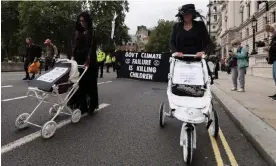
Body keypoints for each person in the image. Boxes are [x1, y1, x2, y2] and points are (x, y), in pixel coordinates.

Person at [170, 4, 214, 80]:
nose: (186, 16)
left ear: (192, 14)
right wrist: (176, 52)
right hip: (180, 59)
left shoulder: (200, 25)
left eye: (188, 14)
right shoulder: (177, 26)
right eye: (184, 14)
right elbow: (171, 42)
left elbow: (209, 43)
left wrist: (203, 52)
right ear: (182, 15)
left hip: (197, 59)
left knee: (199, 81)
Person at [70, 12, 99, 114]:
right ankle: (82, 105)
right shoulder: (79, 32)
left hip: (89, 61)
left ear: (87, 21)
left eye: (83, 21)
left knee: (90, 84)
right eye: (80, 21)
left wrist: (88, 60)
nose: (81, 23)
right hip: (79, 60)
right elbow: (75, 46)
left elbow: (91, 48)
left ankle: (91, 105)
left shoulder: (91, 33)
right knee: (80, 84)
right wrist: (72, 57)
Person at [266, 24, 276, 99]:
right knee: (274, 76)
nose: (271, 32)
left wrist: (269, 48)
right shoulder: (273, 38)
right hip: (274, 59)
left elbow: (273, 48)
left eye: (272, 30)